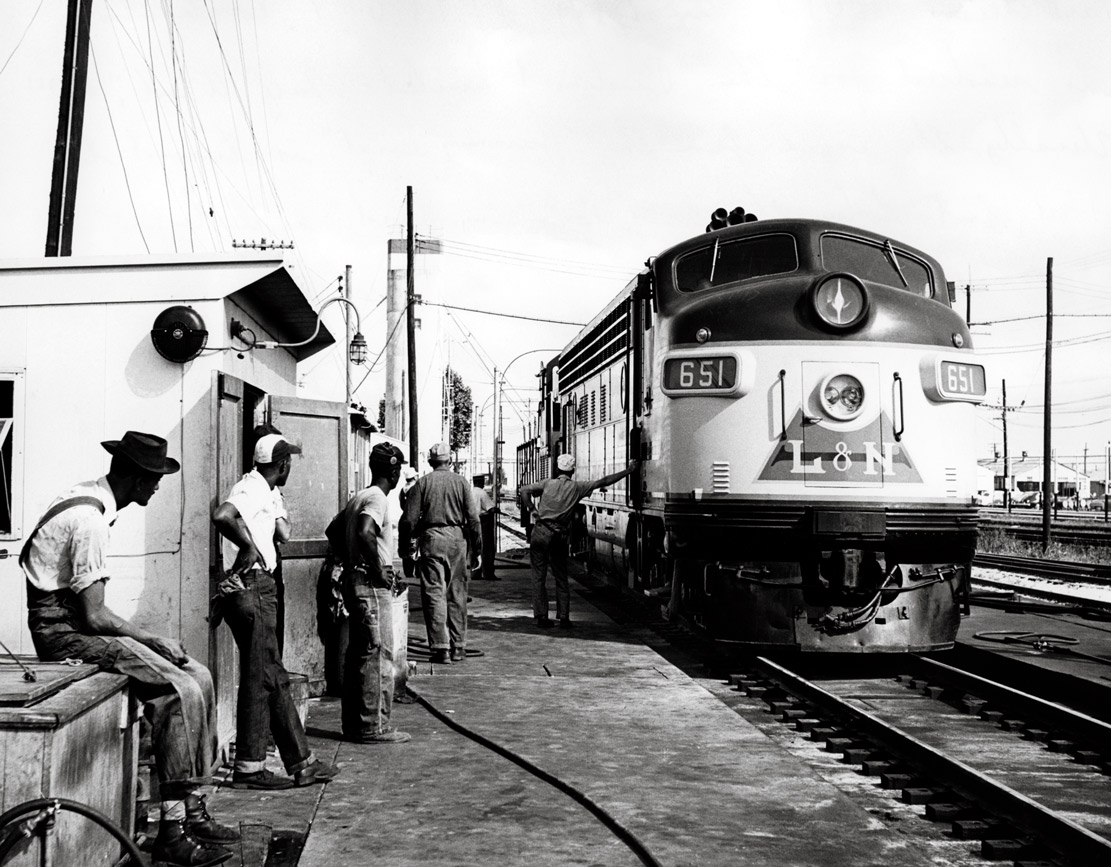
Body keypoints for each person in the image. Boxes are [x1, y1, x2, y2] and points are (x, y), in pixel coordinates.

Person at [21, 431, 238, 867]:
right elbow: (96, 617)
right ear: (136, 480)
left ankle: (193, 809)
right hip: (63, 634)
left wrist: (147, 642)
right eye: (153, 479)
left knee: (198, 675)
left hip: (78, 623)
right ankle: (172, 832)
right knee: (176, 690)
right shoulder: (90, 521)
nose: (157, 488)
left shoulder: (92, 499)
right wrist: (151, 639)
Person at [211, 433, 338, 790]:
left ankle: (297, 763)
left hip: (255, 586)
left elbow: (282, 532)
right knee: (266, 674)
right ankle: (256, 768)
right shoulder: (251, 488)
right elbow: (223, 516)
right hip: (253, 587)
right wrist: (248, 546)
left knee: (267, 675)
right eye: (290, 464)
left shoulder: (265, 490)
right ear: (282, 465)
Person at [336, 442, 411, 744]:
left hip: (355, 579)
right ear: (394, 471)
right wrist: (378, 566)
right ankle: (374, 726)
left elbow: (334, 531)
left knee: (360, 653)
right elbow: (366, 530)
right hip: (370, 585)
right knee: (379, 655)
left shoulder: (360, 496)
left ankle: (355, 723)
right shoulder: (378, 499)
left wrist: (353, 558)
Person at [521, 454, 637, 628]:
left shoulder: (547, 483)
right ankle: (564, 617)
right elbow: (604, 481)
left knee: (539, 576)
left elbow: (524, 490)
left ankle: (542, 617)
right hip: (559, 534)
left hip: (541, 531)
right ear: (573, 471)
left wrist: (532, 509)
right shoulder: (577, 487)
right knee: (561, 576)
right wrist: (629, 470)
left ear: (556, 469)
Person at [403, 442, 481, 664]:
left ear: (430, 462)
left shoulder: (423, 484)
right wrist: (477, 549)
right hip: (457, 540)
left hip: (432, 539)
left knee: (434, 594)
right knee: (457, 594)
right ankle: (459, 647)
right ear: (450, 461)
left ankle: (441, 648)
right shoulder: (462, 483)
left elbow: (408, 520)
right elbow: (474, 520)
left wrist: (406, 548)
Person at [470, 474, 499, 580]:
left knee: (475, 549)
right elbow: (490, 508)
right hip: (483, 523)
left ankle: (475, 573)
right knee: (487, 548)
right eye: (482, 481)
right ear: (480, 482)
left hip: (472, 523)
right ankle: (488, 573)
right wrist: (496, 509)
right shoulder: (482, 493)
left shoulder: (470, 492)